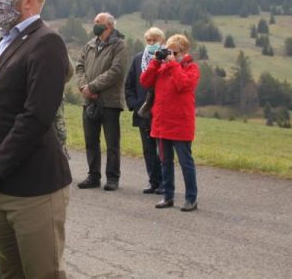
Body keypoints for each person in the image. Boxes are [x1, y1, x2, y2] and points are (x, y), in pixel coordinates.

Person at [0, 0, 71, 278]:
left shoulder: (47, 42)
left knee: (41, 274)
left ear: (28, 1)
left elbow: (36, 116)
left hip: (34, 189)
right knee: (5, 274)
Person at [140, 34, 200, 212]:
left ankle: (191, 198)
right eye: (168, 51)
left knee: (185, 162)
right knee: (164, 161)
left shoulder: (191, 68)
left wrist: (172, 63)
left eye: (173, 52)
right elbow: (144, 81)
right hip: (162, 122)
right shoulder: (163, 67)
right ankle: (168, 195)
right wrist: (156, 62)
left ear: (184, 51)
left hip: (180, 123)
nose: (170, 55)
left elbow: (183, 84)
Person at [75, 12, 128, 191]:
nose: (94, 24)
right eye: (94, 21)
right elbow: (79, 67)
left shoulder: (119, 45)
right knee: (91, 141)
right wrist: (84, 87)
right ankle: (93, 176)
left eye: (98, 22)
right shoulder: (89, 45)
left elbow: (116, 71)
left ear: (109, 26)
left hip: (110, 102)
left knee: (112, 142)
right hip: (89, 101)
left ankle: (112, 178)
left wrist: (93, 87)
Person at [125, 27, 165, 194]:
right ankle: (153, 181)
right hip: (142, 112)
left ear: (161, 41)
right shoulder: (137, 60)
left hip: (160, 113)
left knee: (161, 150)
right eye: (148, 40)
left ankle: (164, 182)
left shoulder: (166, 60)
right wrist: (134, 103)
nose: (151, 43)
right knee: (148, 149)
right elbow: (129, 85)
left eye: (154, 40)